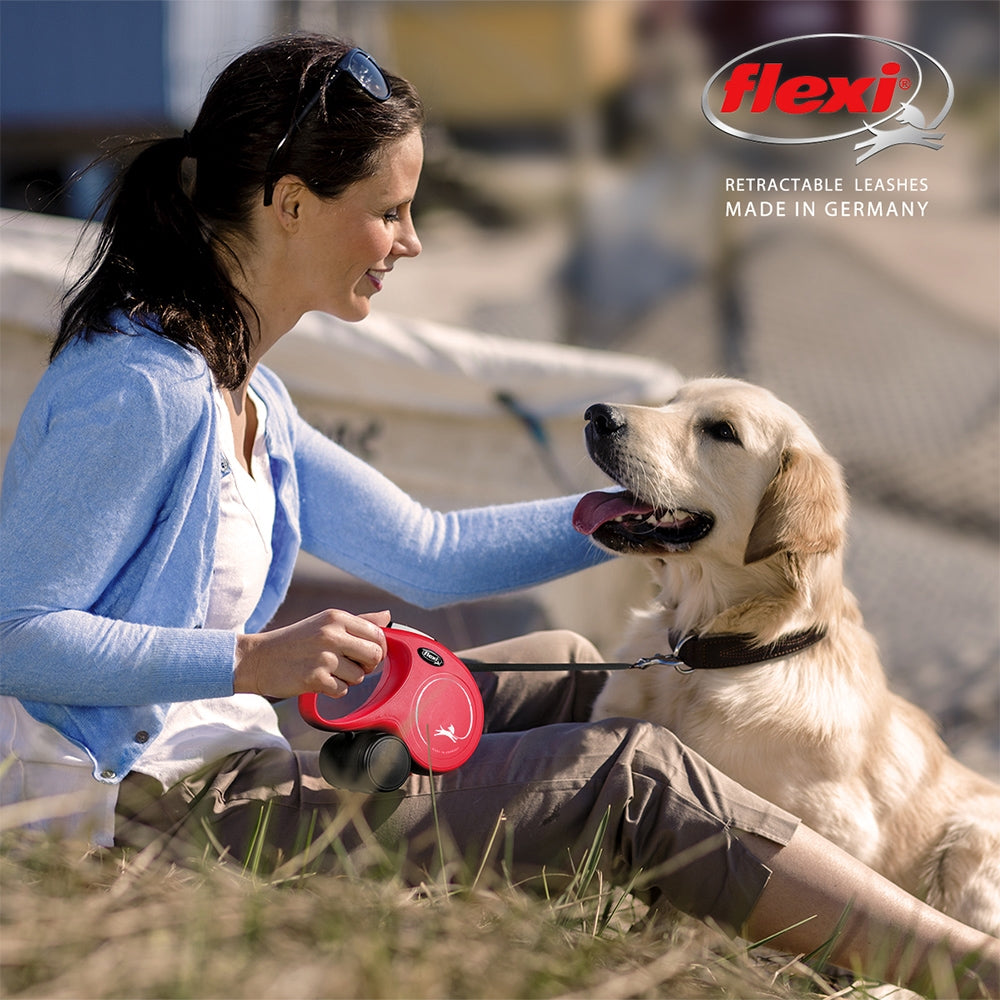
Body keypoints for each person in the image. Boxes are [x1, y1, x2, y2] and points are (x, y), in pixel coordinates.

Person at [0, 34, 996, 997]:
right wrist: (250, 662)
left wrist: (616, 513)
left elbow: (423, 552)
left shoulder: (250, 395)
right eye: (390, 210)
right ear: (293, 205)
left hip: (227, 760)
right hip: (151, 813)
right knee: (632, 772)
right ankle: (962, 968)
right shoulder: (137, 388)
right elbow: (20, 635)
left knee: (567, 663)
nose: (411, 240)